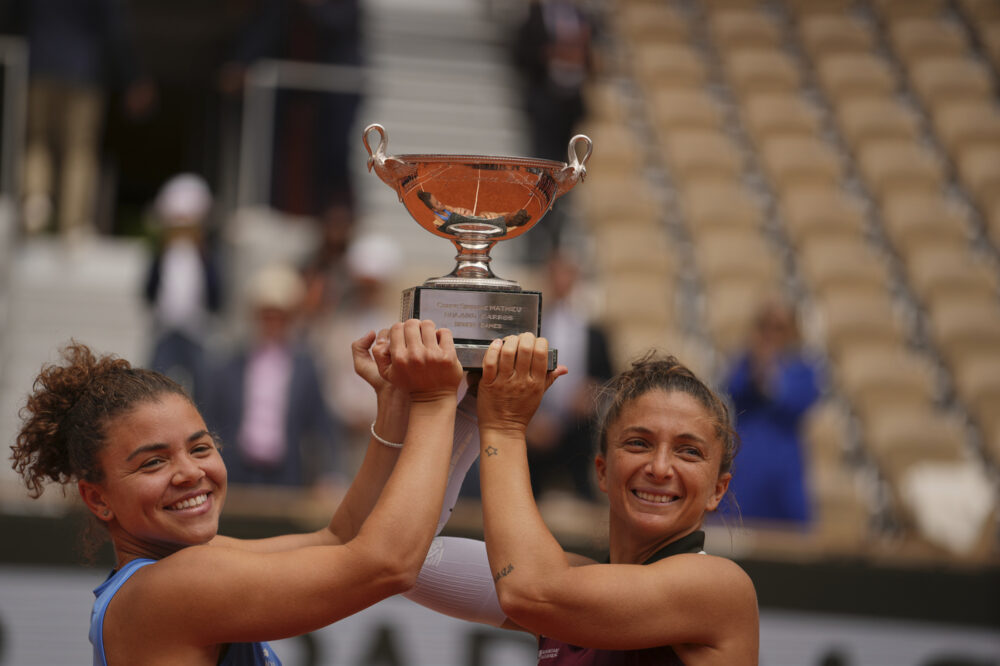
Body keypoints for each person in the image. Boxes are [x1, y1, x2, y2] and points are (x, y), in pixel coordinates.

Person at [10, 318, 464, 665]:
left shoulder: (185, 567)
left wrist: (391, 404)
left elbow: (341, 538)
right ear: (98, 499)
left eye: (200, 447)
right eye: (153, 461)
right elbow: (385, 565)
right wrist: (436, 402)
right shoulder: (173, 586)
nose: (190, 472)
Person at [405, 335, 760, 664]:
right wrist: (467, 404)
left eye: (688, 451)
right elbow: (404, 558)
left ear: (718, 489)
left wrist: (505, 426)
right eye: (638, 443)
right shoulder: (567, 581)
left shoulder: (719, 587)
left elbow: (530, 590)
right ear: (602, 471)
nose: (660, 467)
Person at [206, 263, 341, 489]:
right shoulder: (230, 363)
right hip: (237, 470)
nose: (273, 323)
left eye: (281, 316)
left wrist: (328, 472)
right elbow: (212, 417)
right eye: (267, 315)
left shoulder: (306, 366)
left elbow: (320, 422)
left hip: (287, 473)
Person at [724, 296, 823, 524]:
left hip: (784, 460)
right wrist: (757, 365)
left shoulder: (803, 370)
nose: (771, 334)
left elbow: (797, 402)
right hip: (747, 453)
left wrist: (771, 373)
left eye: (778, 328)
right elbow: (733, 389)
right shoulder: (744, 363)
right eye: (764, 326)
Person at [143, 173, 222, 409]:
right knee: (153, 383)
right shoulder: (161, 255)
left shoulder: (206, 256)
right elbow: (149, 288)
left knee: (204, 385)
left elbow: (216, 292)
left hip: (195, 329)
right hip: (165, 328)